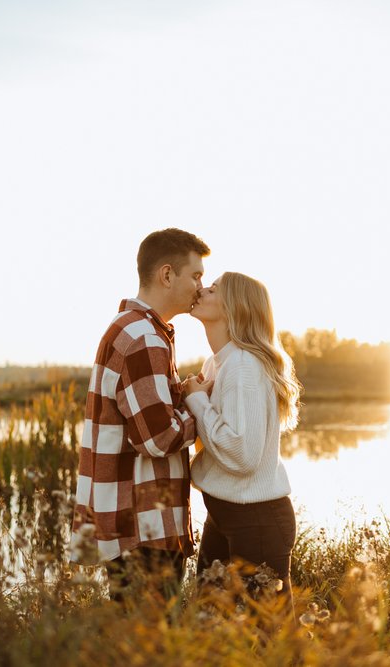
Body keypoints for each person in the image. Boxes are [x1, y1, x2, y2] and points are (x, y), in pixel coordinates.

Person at [70, 228, 210, 602]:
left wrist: (184, 391)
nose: (201, 286)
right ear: (167, 275)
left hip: (133, 523)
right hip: (144, 526)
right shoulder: (144, 338)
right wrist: (203, 411)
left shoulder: (135, 329)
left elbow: (145, 414)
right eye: (196, 276)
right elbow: (157, 437)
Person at [182, 271, 301, 597]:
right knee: (212, 622)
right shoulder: (217, 363)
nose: (201, 290)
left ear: (234, 307)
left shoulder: (243, 365)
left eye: (213, 289)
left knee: (268, 638)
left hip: (257, 519)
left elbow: (242, 454)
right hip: (225, 511)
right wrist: (196, 401)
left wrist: (196, 401)